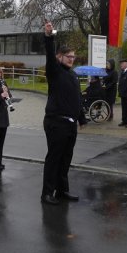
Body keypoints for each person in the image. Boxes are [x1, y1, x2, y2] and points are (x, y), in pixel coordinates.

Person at [41, 21, 87, 205]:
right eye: (68, 56)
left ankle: (62, 190)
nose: (71, 59)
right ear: (59, 57)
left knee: (66, 158)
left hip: (70, 124)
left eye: (73, 57)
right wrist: (49, 36)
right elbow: (49, 53)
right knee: (54, 158)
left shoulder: (73, 74)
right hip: (56, 122)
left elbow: (76, 98)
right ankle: (47, 193)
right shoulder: (55, 71)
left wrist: (82, 117)